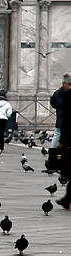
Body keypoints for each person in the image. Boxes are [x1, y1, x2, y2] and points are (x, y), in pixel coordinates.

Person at [57, 73, 71, 209]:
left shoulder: (67, 97)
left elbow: (67, 122)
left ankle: (68, 198)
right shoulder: (65, 96)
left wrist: (63, 140)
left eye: (64, 84)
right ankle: (67, 198)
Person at [50, 79, 65, 148]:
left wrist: (59, 109)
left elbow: (53, 103)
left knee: (57, 135)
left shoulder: (57, 92)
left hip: (60, 119)